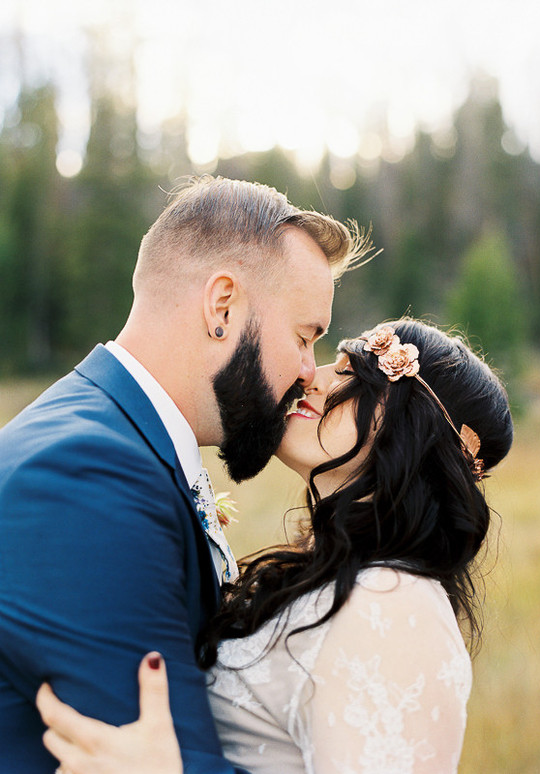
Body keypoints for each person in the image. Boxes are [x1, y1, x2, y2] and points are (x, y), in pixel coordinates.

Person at [0, 175, 368, 773]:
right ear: (222, 306)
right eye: (304, 338)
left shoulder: (120, 439)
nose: (309, 371)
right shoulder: (84, 478)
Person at [37, 318, 513, 773]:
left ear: (410, 428)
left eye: (350, 373)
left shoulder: (393, 606)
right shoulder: (352, 580)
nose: (311, 378)